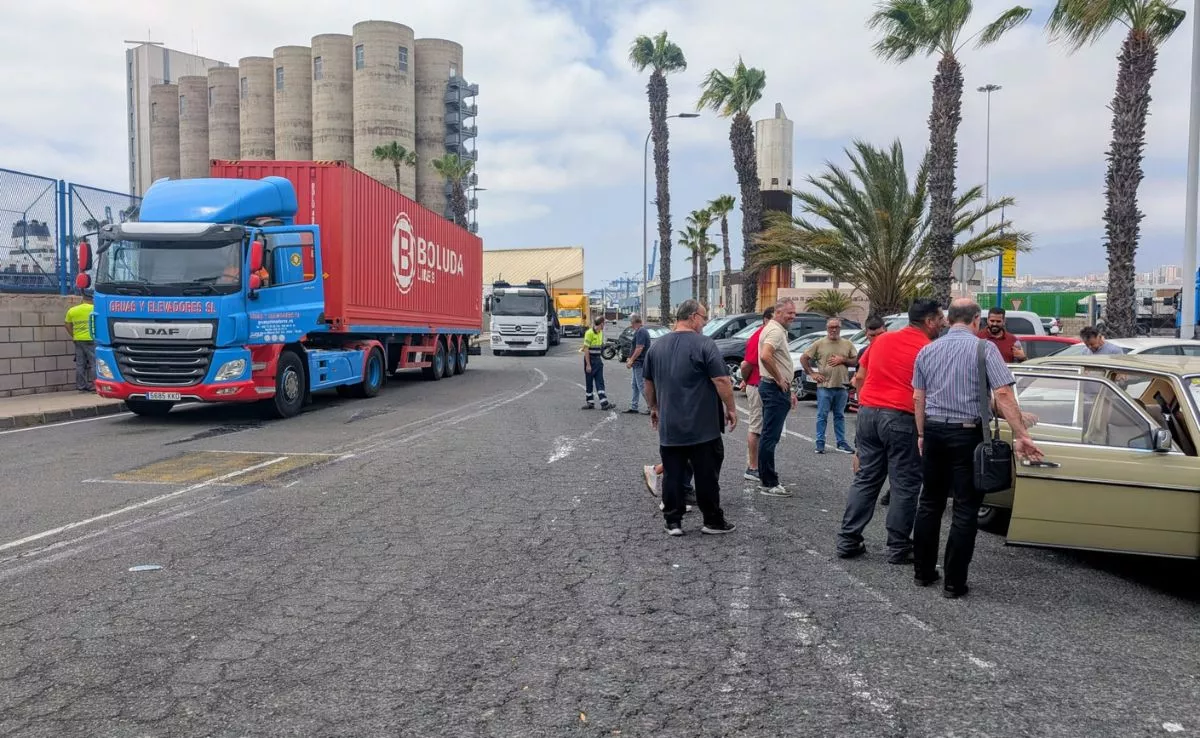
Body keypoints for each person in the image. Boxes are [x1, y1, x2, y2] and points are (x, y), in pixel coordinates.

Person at [912, 299, 1043, 598]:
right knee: (965, 508)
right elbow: (1003, 394)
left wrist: (921, 433)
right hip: (967, 434)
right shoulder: (985, 349)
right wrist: (1021, 433)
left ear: (949, 320)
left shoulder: (927, 350)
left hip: (933, 431)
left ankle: (923, 572)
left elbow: (918, 396)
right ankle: (954, 583)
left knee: (929, 502)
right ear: (976, 321)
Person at [836, 298, 944, 562]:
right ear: (929, 321)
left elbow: (860, 377)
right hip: (901, 417)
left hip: (868, 412)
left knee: (866, 478)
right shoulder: (929, 348)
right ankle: (898, 547)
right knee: (904, 483)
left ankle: (848, 540)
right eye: (940, 319)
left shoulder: (881, 341)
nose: (943, 324)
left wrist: (866, 406)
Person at [643, 299, 738, 536]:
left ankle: (673, 522)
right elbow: (722, 379)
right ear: (693, 317)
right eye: (704, 318)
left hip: (670, 425)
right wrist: (731, 408)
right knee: (706, 475)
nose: (704, 323)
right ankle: (712, 521)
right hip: (703, 426)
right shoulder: (705, 344)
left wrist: (653, 407)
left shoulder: (656, 347)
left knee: (673, 473)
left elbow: (648, 383)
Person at [756, 298, 798, 498]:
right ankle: (769, 482)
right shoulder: (775, 331)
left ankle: (766, 478)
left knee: (768, 435)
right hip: (773, 388)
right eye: (789, 312)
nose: (793, 316)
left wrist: (789, 388)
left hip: (773, 387)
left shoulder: (775, 329)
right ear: (778, 312)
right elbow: (766, 356)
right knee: (770, 437)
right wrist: (780, 379)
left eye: (794, 313)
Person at [801, 317, 858, 455]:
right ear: (827, 328)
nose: (833, 330)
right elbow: (804, 358)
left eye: (836, 327)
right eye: (831, 327)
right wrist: (812, 373)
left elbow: (856, 361)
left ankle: (841, 442)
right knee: (822, 415)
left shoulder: (847, 344)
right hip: (824, 386)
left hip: (842, 386)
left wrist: (843, 359)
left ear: (840, 328)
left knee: (840, 416)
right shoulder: (819, 343)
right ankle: (820, 443)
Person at [737, 306, 774, 483]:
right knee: (757, 427)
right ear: (766, 320)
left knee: (765, 428)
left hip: (765, 386)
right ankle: (752, 467)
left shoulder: (771, 335)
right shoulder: (759, 336)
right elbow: (746, 364)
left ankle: (760, 465)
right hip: (758, 386)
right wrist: (747, 379)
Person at [64, 292, 95, 393]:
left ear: (82, 299)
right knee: (94, 363)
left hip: (78, 339)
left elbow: (67, 324)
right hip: (92, 339)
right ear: (92, 299)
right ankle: (95, 386)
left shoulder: (72, 310)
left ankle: (81, 386)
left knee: (80, 364)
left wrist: (74, 335)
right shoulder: (95, 309)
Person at [582, 316, 611, 410]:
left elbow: (600, 346)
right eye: (604, 323)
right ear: (601, 324)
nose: (604, 325)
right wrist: (588, 364)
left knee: (600, 381)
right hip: (590, 360)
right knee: (589, 381)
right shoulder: (589, 333)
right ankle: (590, 403)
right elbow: (586, 349)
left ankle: (604, 403)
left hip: (598, 360)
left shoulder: (600, 333)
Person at [624, 314, 652, 414]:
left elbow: (639, 348)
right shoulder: (640, 331)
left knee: (641, 385)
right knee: (635, 385)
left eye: (631, 323)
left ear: (634, 322)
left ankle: (651, 407)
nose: (631, 325)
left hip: (640, 362)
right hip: (638, 363)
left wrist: (631, 360)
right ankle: (634, 406)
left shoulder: (641, 331)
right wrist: (630, 358)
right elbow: (635, 347)